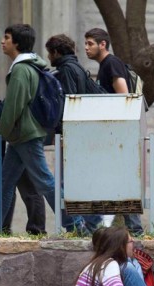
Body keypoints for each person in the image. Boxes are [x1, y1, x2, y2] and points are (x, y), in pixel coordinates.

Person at [0, 24, 89, 236]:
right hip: (23, 135)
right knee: (5, 183)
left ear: (17, 43)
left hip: (25, 136)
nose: (3, 41)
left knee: (45, 182)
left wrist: (2, 132)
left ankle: (75, 223)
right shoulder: (30, 66)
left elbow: (13, 106)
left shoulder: (21, 70)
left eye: (7, 37)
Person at [84, 27, 143, 236]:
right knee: (116, 180)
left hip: (117, 134)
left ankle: (133, 230)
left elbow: (123, 96)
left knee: (118, 180)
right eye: (85, 43)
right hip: (113, 134)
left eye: (90, 43)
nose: (86, 48)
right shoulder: (105, 65)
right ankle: (128, 229)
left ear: (103, 44)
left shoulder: (111, 63)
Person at [45, 34, 103, 232]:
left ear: (56, 52)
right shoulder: (77, 68)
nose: (48, 57)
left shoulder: (66, 70)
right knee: (79, 180)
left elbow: (69, 102)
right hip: (82, 132)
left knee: (67, 181)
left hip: (73, 135)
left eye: (49, 53)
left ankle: (85, 225)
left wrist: (63, 133)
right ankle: (89, 223)